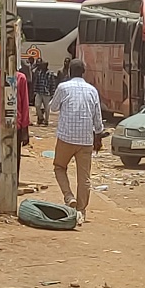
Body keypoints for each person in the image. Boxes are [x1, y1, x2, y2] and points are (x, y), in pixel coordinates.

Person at [50, 59, 104, 225]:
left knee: (59, 167)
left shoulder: (63, 87)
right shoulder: (92, 90)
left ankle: (68, 196)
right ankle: (81, 211)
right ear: (84, 71)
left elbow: (53, 108)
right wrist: (98, 136)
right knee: (84, 178)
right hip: (86, 140)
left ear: (68, 71)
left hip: (66, 137)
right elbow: (98, 118)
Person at [0, 67, 30, 211]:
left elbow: (24, 103)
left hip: (14, 126)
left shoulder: (20, 79)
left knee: (13, 163)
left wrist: (25, 129)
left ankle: (10, 197)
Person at [33, 60, 56, 126]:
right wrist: (35, 90)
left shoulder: (50, 73)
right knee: (37, 105)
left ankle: (46, 120)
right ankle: (41, 118)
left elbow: (53, 84)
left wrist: (52, 93)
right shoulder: (39, 73)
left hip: (47, 93)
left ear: (45, 66)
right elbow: (36, 82)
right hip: (39, 92)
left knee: (47, 108)